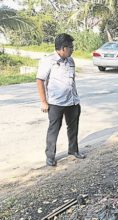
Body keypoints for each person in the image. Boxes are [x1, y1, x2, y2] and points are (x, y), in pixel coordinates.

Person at [36, 33, 85, 166]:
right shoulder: (48, 61)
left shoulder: (71, 61)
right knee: (54, 129)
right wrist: (43, 101)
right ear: (63, 48)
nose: (73, 49)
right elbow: (40, 80)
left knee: (73, 127)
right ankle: (50, 156)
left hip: (73, 101)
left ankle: (73, 150)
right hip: (56, 103)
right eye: (71, 47)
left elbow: (72, 80)